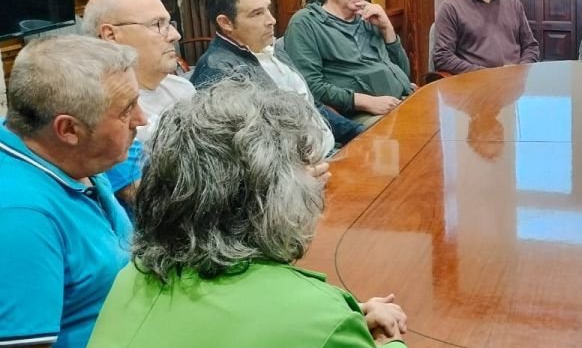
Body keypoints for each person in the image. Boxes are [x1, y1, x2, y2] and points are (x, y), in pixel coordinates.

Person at [88, 80, 409, 347]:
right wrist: (384, 341)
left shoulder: (133, 275)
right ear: (269, 201)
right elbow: (300, 323)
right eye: (306, 167)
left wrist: (349, 313)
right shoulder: (316, 320)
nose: (317, 180)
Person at [0, 36, 144, 348]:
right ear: (68, 130)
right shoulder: (20, 218)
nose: (141, 119)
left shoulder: (74, 159)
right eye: (127, 109)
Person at [190, 0, 364, 146]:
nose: (271, 20)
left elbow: (311, 106)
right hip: (300, 168)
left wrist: (357, 132)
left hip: (327, 148)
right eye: (257, 14)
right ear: (226, 23)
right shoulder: (219, 71)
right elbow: (248, 147)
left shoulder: (270, 47)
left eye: (267, 9)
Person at [82, 0, 195, 202]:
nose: (175, 35)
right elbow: (146, 199)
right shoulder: (100, 109)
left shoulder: (182, 88)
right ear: (111, 35)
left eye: (169, 24)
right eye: (158, 25)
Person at [285, 0, 415, 125]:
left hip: (402, 99)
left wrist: (387, 28)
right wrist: (366, 102)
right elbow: (310, 85)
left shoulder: (368, 16)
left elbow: (404, 72)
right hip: (357, 114)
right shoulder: (305, 23)